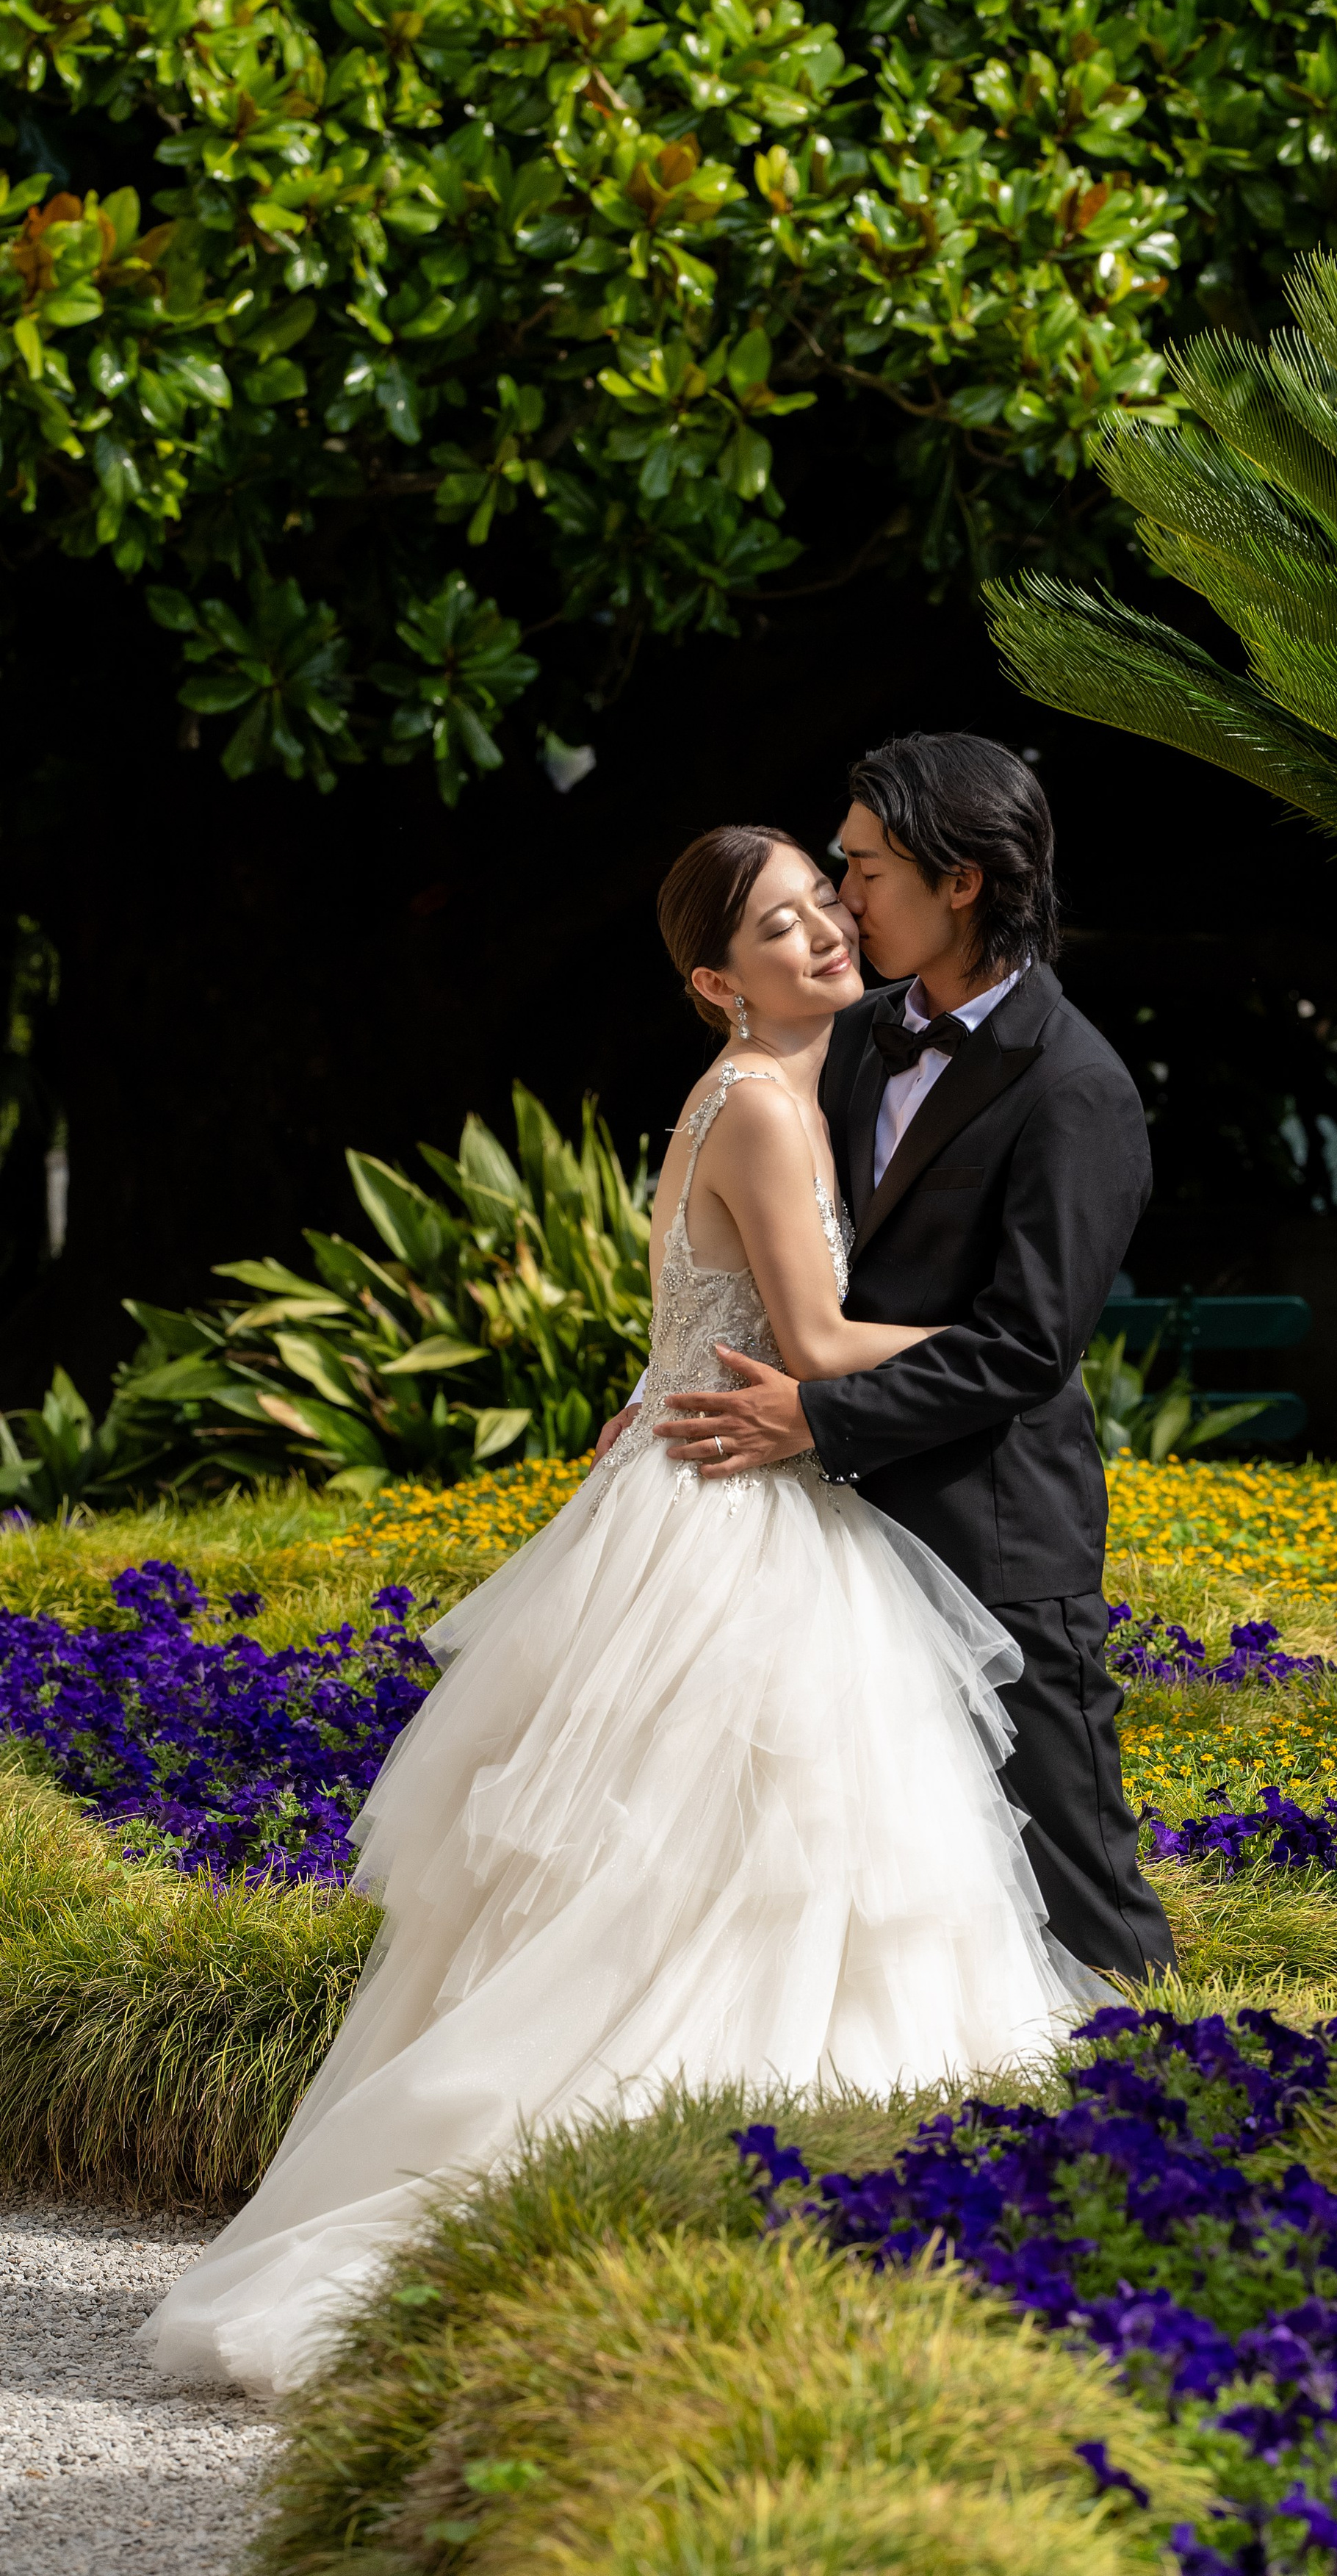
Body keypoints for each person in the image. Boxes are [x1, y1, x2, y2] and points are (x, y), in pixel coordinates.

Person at [143, 824, 1098, 2397]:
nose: (822, 938)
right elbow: (809, 1332)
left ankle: (738, 2197)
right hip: (739, 1509)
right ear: (717, 984)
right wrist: (1016, 1333)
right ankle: (657, 2200)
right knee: (737, 1864)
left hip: (699, 1484)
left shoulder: (768, 1094)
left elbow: (695, 1327)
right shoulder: (764, 1105)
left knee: (740, 1868)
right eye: (778, 930)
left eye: (822, 906)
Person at [638, 734, 1176, 1983]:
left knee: (1071, 1871)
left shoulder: (1073, 1087)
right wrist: (663, 1388)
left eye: (866, 872)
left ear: (961, 881)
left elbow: (1030, 1347)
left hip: (992, 1524)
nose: (844, 899)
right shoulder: (853, 1037)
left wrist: (815, 1419)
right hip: (830, 1547)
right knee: (878, 1884)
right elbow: (758, 1263)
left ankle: (1164, 2104)